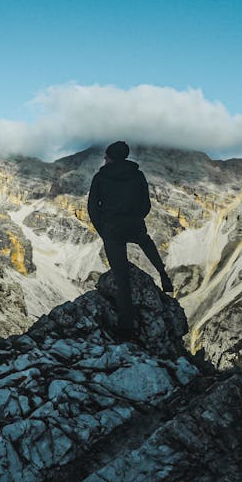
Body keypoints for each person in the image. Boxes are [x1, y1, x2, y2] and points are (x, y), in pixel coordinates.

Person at [87, 140, 173, 338]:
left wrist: (104, 230)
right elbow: (146, 204)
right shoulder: (137, 175)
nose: (104, 159)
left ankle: (127, 327)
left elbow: (92, 208)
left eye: (106, 156)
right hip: (134, 224)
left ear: (110, 158)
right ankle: (163, 273)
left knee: (121, 276)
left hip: (112, 230)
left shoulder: (100, 177)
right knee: (146, 242)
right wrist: (136, 218)